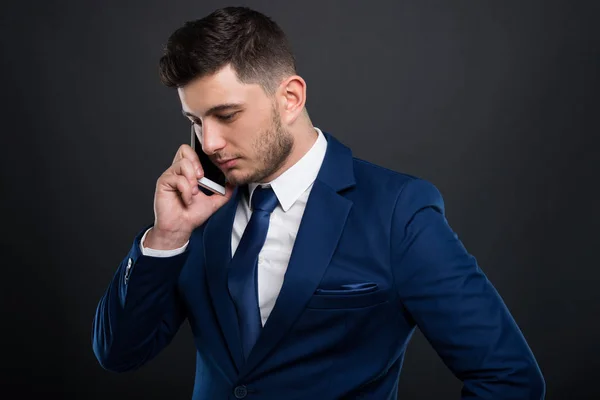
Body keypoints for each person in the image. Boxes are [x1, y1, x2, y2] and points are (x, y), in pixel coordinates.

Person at [92, 6, 545, 399]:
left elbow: (507, 376)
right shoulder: (197, 212)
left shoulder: (397, 212)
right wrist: (167, 236)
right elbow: (119, 354)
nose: (208, 142)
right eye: (195, 120)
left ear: (290, 98)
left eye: (226, 115)